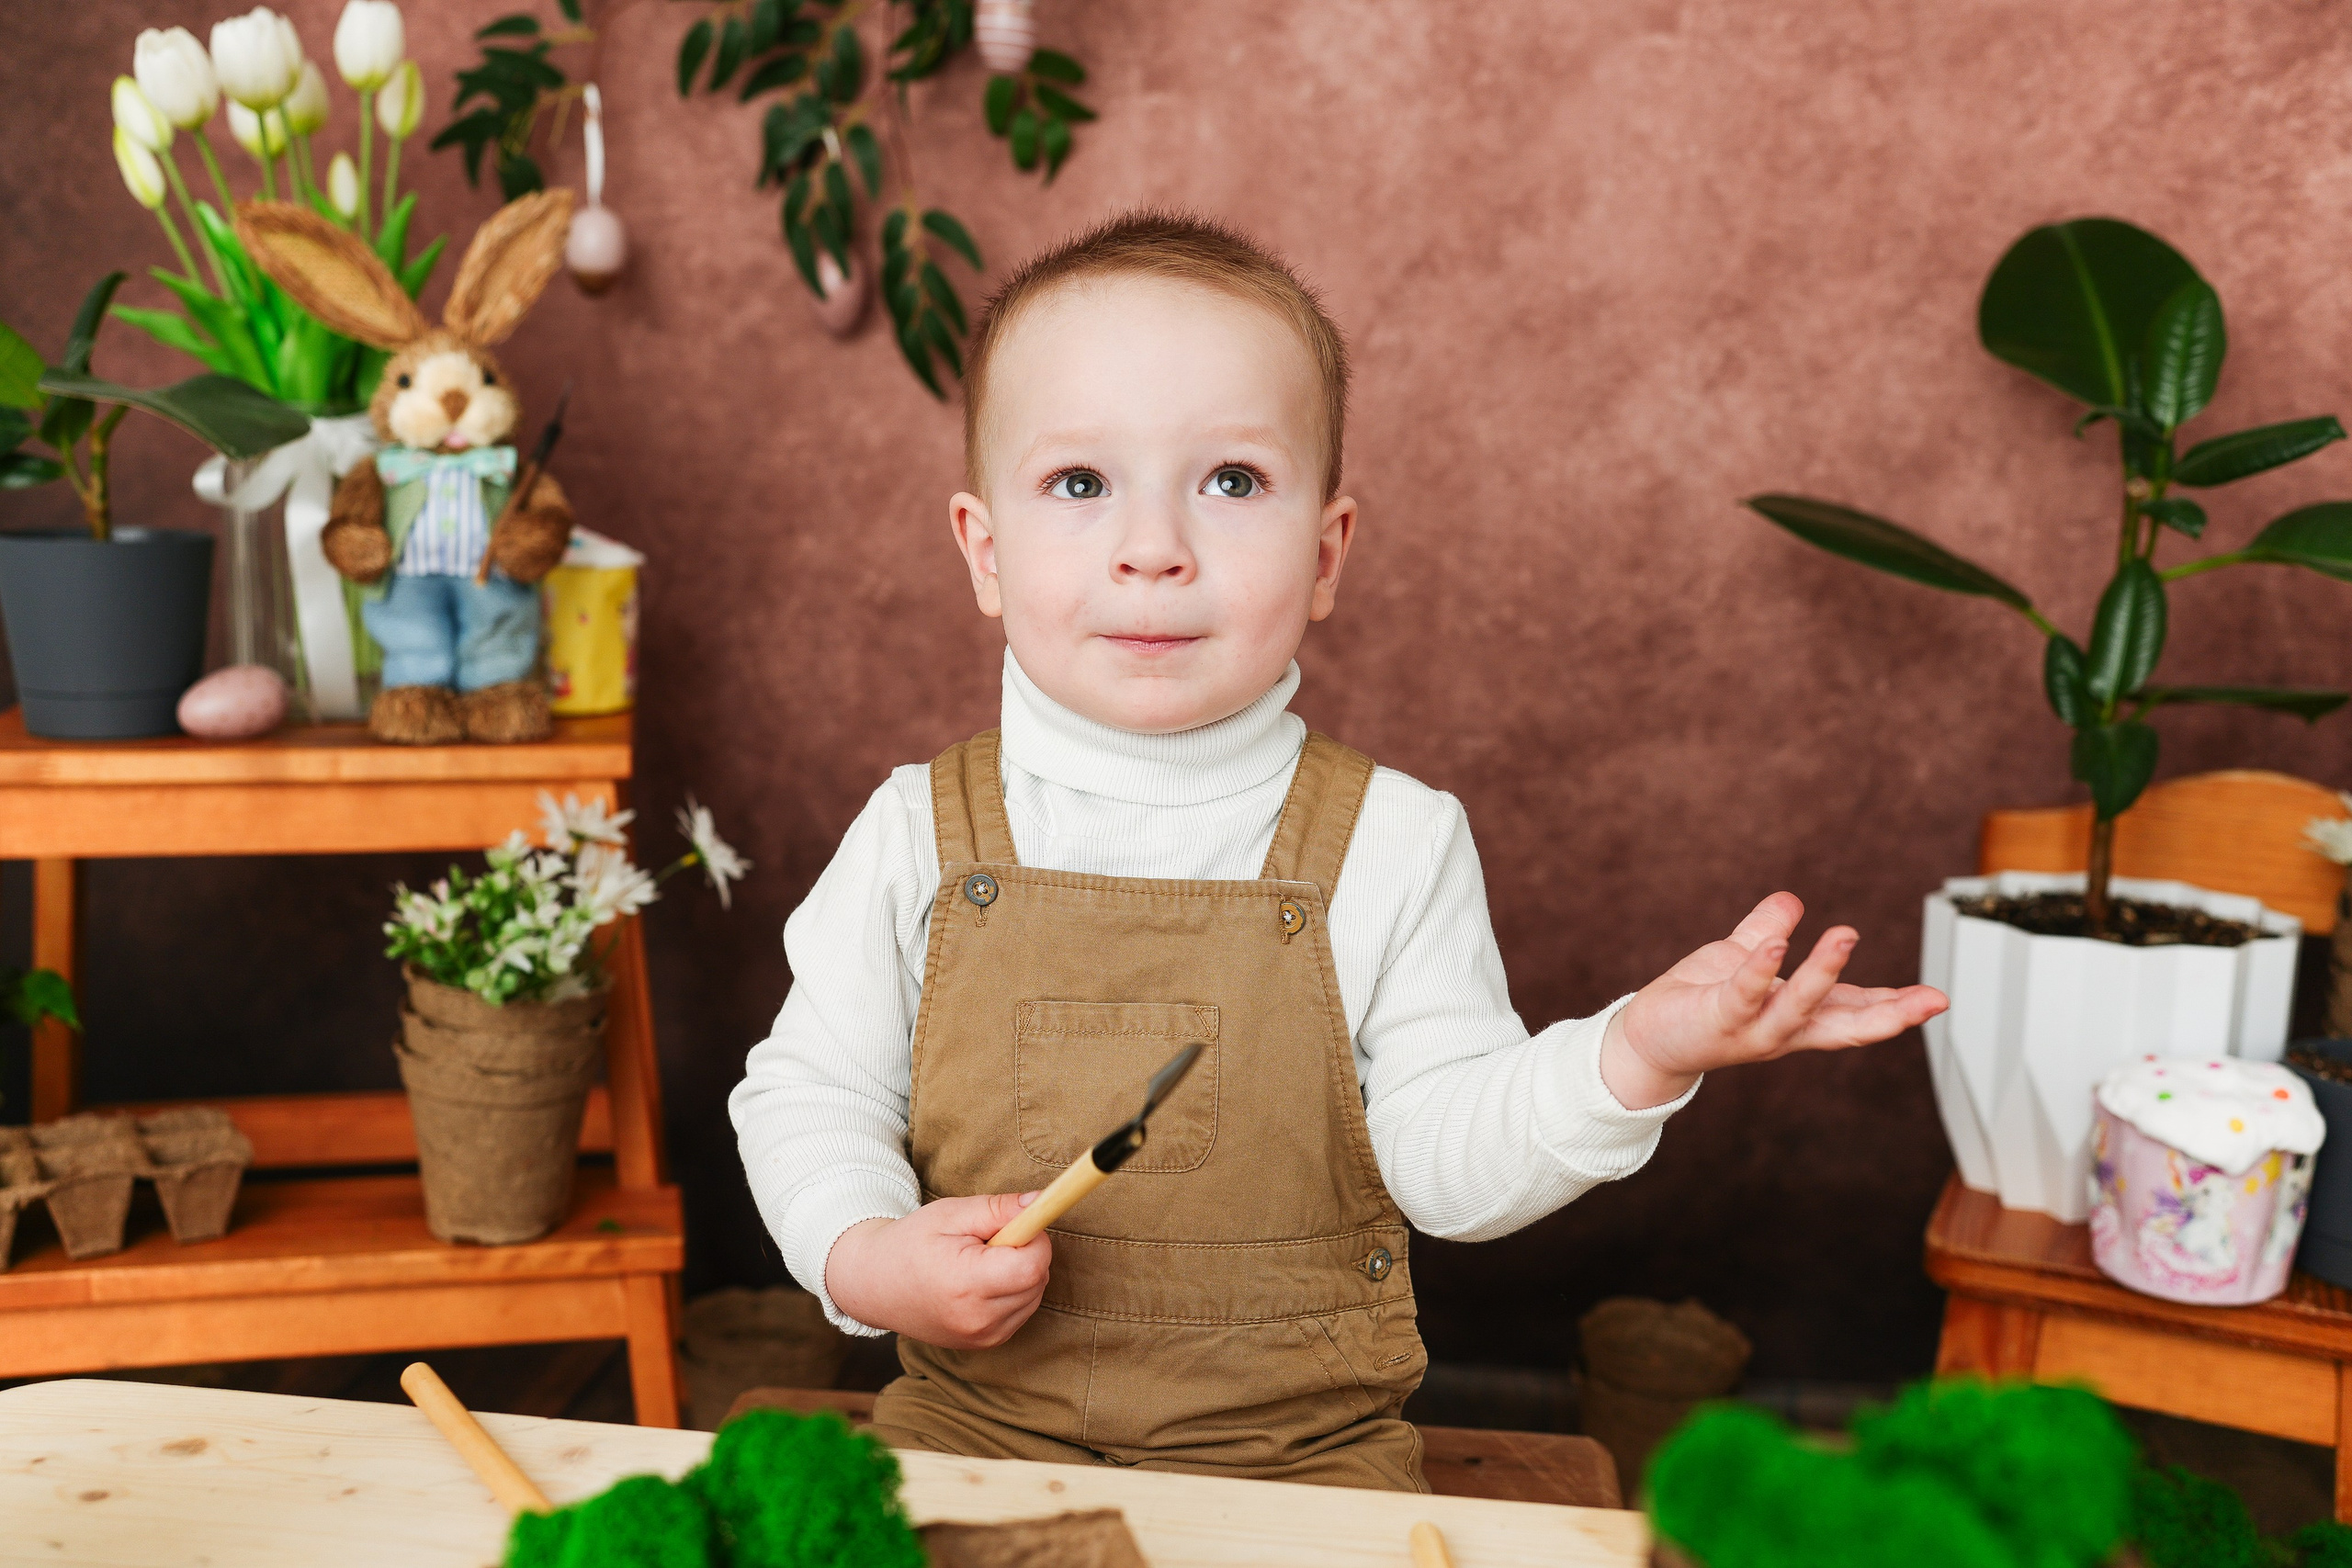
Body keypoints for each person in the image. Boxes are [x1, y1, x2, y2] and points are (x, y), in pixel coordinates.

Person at [729, 210, 1948, 1492]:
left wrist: (1630, 1055)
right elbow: (810, 1098)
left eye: (1232, 482)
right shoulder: (914, 835)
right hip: (976, 1437)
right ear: (985, 551)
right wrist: (869, 1255)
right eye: (1081, 485)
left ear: (1326, 552)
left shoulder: (1395, 842)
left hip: (1302, 1465)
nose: (1154, 548)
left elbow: (1443, 1167)